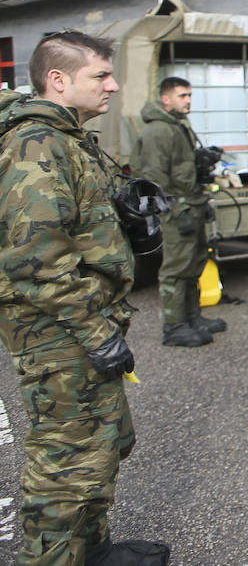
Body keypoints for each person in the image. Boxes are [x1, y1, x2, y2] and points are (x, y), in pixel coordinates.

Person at [0, 31, 170, 565]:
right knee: (67, 465)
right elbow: (35, 261)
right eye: (100, 75)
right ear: (58, 79)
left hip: (83, 322)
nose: (114, 85)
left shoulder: (71, 138)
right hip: (58, 331)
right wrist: (97, 334)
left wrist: (127, 213)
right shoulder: (36, 144)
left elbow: (76, 221)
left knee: (102, 446)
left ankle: (88, 551)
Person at [131, 77, 225, 348]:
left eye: (189, 95)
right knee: (176, 267)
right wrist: (178, 209)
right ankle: (173, 326)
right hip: (176, 210)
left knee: (194, 262)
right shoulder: (158, 131)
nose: (188, 101)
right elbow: (153, 177)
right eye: (182, 95)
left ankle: (192, 317)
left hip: (192, 204)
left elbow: (182, 168)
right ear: (166, 99)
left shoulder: (180, 126)